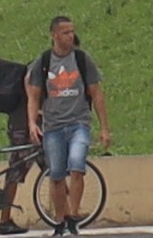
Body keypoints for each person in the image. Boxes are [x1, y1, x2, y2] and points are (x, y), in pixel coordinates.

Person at [33, 16, 102, 184]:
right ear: (54, 35)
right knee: (56, 176)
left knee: (77, 166)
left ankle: (74, 211)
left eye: (72, 32)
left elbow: (97, 93)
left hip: (79, 123)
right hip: (53, 126)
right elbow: (33, 96)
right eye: (66, 32)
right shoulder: (44, 61)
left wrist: (104, 127)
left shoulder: (82, 59)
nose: (71, 36)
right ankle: (61, 212)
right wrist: (31, 122)